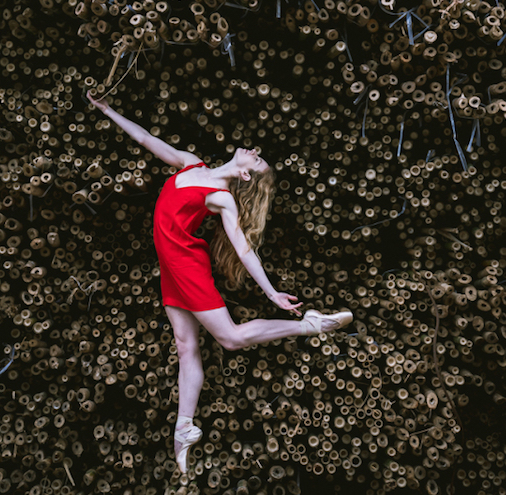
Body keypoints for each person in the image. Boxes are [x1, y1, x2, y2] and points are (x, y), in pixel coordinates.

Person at [87, 92, 354, 473]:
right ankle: (184, 429)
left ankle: (309, 324)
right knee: (185, 345)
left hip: (186, 266)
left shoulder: (222, 198)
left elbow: (243, 249)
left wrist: (271, 291)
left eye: (256, 159)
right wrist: (108, 109)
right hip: (171, 270)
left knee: (229, 337)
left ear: (245, 174)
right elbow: (147, 140)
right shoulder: (190, 164)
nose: (253, 150)